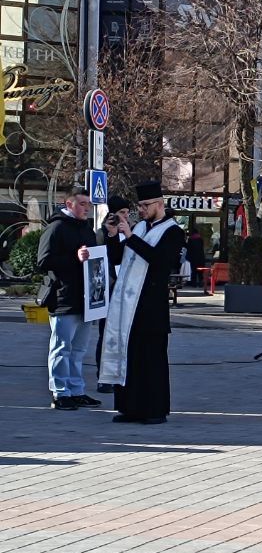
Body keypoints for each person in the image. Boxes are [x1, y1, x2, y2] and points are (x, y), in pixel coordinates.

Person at [99, 181, 186, 424]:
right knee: (131, 359)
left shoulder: (173, 231)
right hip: (128, 308)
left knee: (152, 361)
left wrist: (129, 236)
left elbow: (158, 261)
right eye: (139, 206)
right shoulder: (138, 229)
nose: (142, 210)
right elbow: (117, 257)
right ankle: (130, 407)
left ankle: (154, 410)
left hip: (151, 307)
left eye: (146, 205)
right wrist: (112, 235)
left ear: (160, 204)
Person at [36, 186, 100, 410]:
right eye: (82, 204)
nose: (87, 209)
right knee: (62, 347)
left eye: (88, 204)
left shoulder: (86, 229)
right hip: (64, 297)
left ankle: (76, 390)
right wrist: (74, 258)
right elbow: (43, 261)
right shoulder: (56, 228)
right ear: (69, 204)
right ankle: (60, 392)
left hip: (86, 299)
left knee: (79, 349)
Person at [93, 196, 131, 394]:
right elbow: (107, 256)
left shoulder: (132, 232)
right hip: (109, 291)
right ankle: (103, 376)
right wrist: (111, 232)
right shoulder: (103, 232)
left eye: (126, 213)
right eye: (121, 213)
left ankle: (121, 374)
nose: (124, 217)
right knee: (106, 334)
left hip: (127, 290)